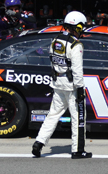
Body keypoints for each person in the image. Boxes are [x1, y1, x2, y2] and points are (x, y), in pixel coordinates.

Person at [32, 11, 92, 159]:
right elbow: (77, 70)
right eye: (81, 27)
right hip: (72, 86)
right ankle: (78, 150)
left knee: (52, 115)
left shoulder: (55, 41)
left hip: (58, 82)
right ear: (76, 26)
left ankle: (39, 143)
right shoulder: (75, 45)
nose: (82, 30)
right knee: (78, 118)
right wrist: (80, 89)